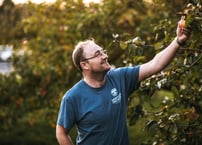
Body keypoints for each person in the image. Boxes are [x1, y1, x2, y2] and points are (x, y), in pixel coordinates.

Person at [56, 19, 191, 145]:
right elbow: (61, 132)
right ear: (84, 65)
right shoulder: (72, 97)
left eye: (103, 51)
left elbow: (155, 64)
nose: (105, 56)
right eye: (98, 54)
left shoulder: (119, 78)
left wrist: (177, 41)